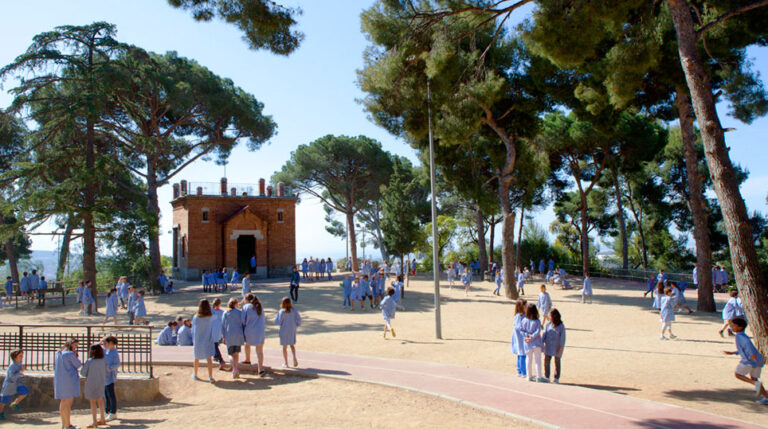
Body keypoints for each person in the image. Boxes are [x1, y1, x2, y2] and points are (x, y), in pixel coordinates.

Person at [724, 318, 768, 405]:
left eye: (733, 326)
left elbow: (747, 345)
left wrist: (752, 355)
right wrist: (733, 353)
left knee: (738, 374)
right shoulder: (743, 335)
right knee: (754, 378)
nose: (731, 327)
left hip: (750, 361)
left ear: (740, 327)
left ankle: (755, 383)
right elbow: (743, 348)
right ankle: (766, 397)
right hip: (758, 361)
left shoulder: (739, 336)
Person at [54, 339, 82, 429]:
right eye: (75, 346)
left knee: (63, 402)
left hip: (60, 380)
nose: (75, 348)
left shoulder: (59, 353)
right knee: (67, 402)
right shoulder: (70, 354)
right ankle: (67, 425)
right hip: (69, 380)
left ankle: (65, 423)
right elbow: (78, 364)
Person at [81, 343, 107, 428]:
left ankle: (94, 421)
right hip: (101, 382)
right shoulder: (103, 360)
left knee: (92, 402)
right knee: (100, 400)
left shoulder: (90, 361)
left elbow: (83, 373)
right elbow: (107, 369)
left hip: (91, 383)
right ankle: (103, 418)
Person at [242, 294, 267, 376]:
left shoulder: (246, 307)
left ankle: (247, 359)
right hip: (260, 331)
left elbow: (243, 320)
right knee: (259, 351)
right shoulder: (260, 306)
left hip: (249, 330)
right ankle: (260, 369)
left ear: (247, 300)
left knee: (247, 345)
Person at [192, 299, 216, 383]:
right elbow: (215, 314)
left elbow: (193, 330)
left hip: (198, 340)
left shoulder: (196, 317)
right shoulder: (210, 317)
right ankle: (210, 376)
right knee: (209, 358)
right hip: (207, 339)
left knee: (196, 357)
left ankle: (195, 374)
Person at [0, 350, 28, 420]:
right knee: (4, 400)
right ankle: (0, 413)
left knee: (25, 392)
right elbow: (12, 377)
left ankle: (14, 403)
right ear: (15, 357)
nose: (22, 357)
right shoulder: (12, 366)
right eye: (20, 356)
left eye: (22, 356)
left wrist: (21, 371)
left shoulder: (19, 363)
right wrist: (21, 371)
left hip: (17, 383)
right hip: (10, 385)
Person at [521, 303, 546, 382]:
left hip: (527, 343)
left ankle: (529, 375)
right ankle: (539, 376)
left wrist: (527, 336)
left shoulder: (524, 320)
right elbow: (537, 332)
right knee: (537, 359)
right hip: (536, 343)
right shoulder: (537, 321)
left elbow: (521, 330)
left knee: (528, 359)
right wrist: (531, 337)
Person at [275, 297, 302, 368]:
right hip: (291, 329)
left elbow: (278, 321)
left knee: (284, 347)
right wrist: (296, 325)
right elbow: (299, 320)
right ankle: (294, 356)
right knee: (292, 345)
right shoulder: (294, 310)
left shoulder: (281, 311)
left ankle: (286, 363)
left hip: (283, 330)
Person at [222, 298, 245, 379]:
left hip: (229, 334)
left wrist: (223, 336)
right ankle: (236, 368)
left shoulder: (226, 313)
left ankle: (234, 368)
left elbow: (223, 325)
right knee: (236, 353)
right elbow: (243, 322)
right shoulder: (240, 312)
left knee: (230, 353)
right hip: (238, 334)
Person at [543, 309, 566, 384]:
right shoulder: (548, 325)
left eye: (550, 316)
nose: (549, 317)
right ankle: (547, 376)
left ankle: (556, 378)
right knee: (546, 361)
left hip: (557, 347)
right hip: (548, 346)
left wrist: (561, 348)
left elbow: (563, 338)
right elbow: (544, 335)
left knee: (557, 361)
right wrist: (541, 343)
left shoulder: (561, 326)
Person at [102, 336, 120, 422]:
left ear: (111, 344)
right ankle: (107, 411)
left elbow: (117, 363)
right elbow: (95, 347)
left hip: (110, 376)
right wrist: (101, 341)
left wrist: (110, 368)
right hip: (104, 376)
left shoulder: (114, 352)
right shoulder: (105, 351)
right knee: (106, 394)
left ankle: (113, 412)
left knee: (110, 394)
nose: (104, 345)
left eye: (106, 343)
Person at [510, 299, 528, 378]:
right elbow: (518, 328)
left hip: (520, 338)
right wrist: (525, 333)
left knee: (521, 354)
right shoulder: (519, 316)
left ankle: (520, 370)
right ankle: (522, 371)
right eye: (525, 305)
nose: (526, 306)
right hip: (520, 338)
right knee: (522, 354)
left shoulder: (523, 316)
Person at [210, 298, 225, 369]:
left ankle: (220, 359)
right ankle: (216, 356)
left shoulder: (211, 311)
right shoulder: (222, 312)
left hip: (213, 330)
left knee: (214, 345)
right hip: (219, 330)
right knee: (215, 344)